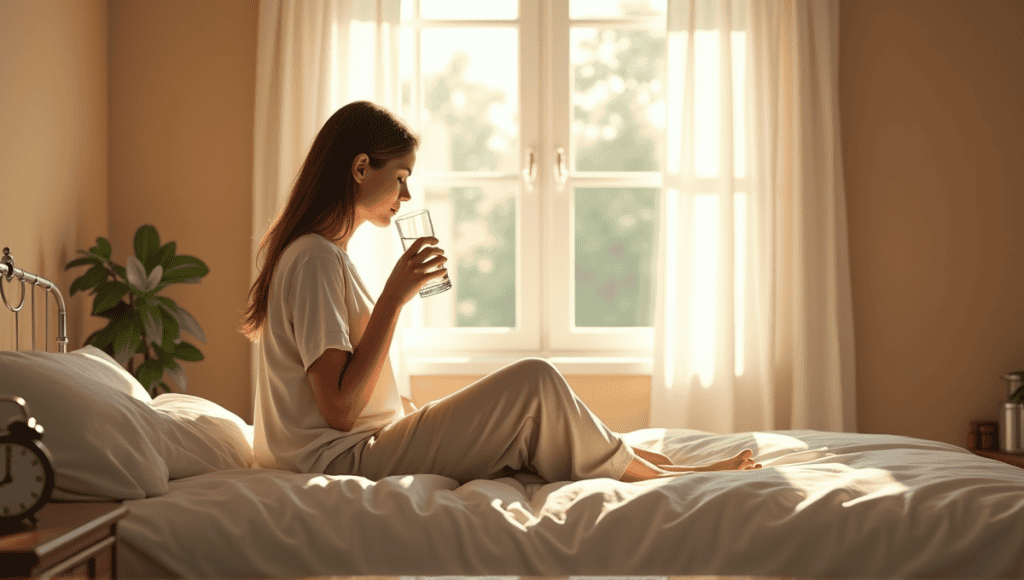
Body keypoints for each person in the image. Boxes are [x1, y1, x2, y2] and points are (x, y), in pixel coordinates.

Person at [240, 100, 762, 484]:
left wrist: (420, 415)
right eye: (400, 177)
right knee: (535, 380)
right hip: (343, 461)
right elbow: (337, 410)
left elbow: (348, 398)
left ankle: (657, 465)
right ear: (360, 169)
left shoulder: (323, 256)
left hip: (357, 448)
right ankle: (654, 472)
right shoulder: (313, 258)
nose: (407, 194)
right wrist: (395, 298)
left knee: (529, 398)